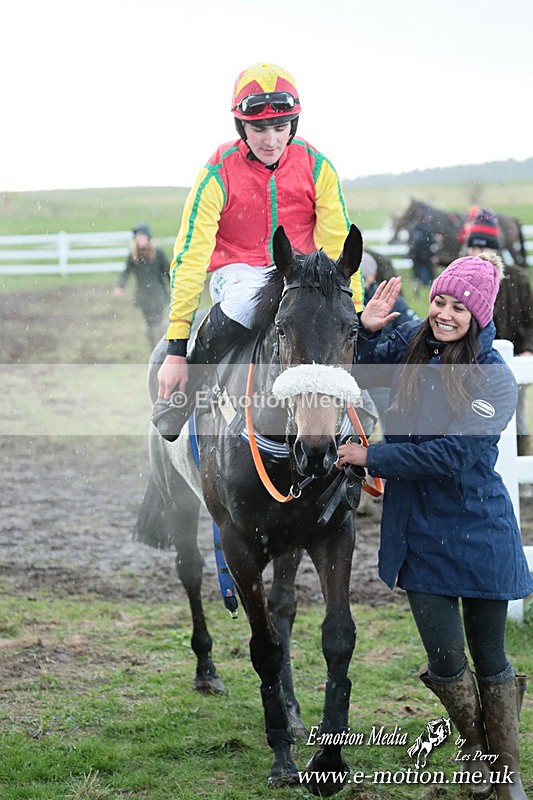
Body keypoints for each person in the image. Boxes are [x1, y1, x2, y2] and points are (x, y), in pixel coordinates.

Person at [337, 254, 532, 799]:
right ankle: (479, 758)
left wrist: (369, 458)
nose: (444, 314)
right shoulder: (409, 342)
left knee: (491, 657)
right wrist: (365, 328)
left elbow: (450, 455)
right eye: (440, 302)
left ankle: (506, 774)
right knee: (447, 661)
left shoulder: (492, 378)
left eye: (458, 307)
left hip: (479, 528)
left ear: (479, 313)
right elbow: (358, 368)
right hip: (418, 531)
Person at [152, 62, 364, 441]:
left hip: (300, 274)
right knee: (245, 301)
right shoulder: (217, 172)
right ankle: (189, 395)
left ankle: (358, 408)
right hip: (238, 271)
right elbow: (190, 256)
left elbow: (337, 246)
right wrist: (175, 345)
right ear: (241, 127)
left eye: (280, 128)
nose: (270, 140)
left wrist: (357, 311)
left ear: (293, 125)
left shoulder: (318, 167)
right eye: (258, 129)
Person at [466, 208, 533, 456]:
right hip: (473, 363)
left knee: (516, 420)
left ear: (496, 249)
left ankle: (523, 473)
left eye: (484, 248)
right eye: (473, 248)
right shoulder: (462, 278)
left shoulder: (518, 279)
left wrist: (528, 350)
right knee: (476, 418)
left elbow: (531, 320)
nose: (478, 253)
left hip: (513, 359)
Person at [360, 251, 420, 437]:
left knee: (390, 422)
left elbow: (413, 327)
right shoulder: (345, 300)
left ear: (371, 275)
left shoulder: (389, 301)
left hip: (381, 370)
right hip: (359, 370)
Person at [113, 223, 170, 347]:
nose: (139, 241)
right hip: (143, 297)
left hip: (158, 295)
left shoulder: (158, 254)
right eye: (137, 238)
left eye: (142, 237)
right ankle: (154, 349)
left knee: (158, 323)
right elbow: (126, 273)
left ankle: (161, 348)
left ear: (148, 238)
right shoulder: (133, 257)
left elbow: (168, 271)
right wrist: (120, 287)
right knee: (150, 325)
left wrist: (176, 285)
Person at [408, 214, 436, 291]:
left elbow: (410, 242)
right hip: (426, 254)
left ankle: (416, 292)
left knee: (416, 274)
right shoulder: (428, 229)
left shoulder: (413, 229)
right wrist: (434, 255)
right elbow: (432, 243)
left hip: (415, 254)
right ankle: (432, 289)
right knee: (430, 272)